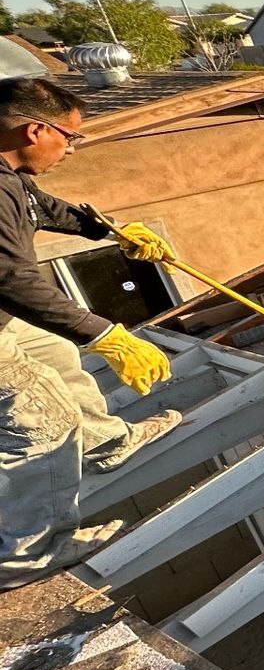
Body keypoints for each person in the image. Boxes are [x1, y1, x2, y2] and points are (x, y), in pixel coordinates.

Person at [1, 77, 180, 587]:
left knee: (54, 351)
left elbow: (40, 206)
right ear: (34, 130)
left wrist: (111, 230)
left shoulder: (10, 175)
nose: (72, 149)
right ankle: (27, 554)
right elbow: (12, 279)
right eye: (69, 137)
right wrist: (106, 335)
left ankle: (104, 442)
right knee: (42, 424)